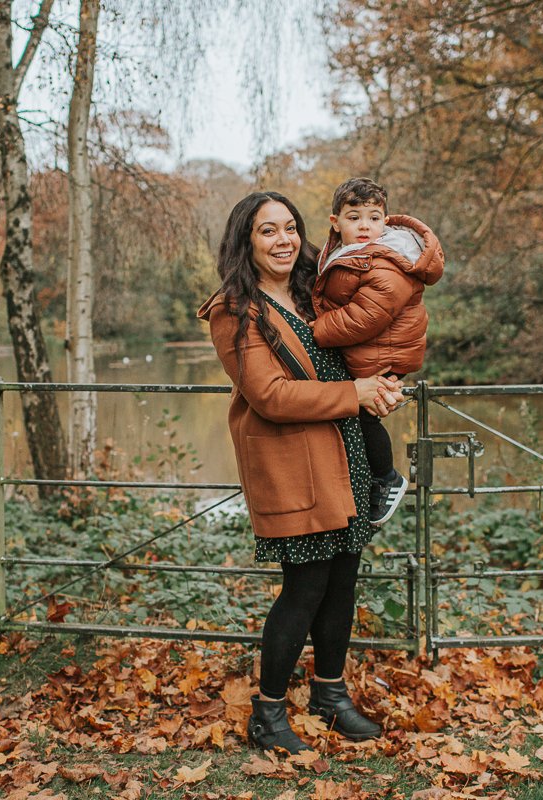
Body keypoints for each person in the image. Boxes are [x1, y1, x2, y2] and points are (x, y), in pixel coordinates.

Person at [196, 191, 404, 755]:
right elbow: (268, 394)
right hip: (292, 465)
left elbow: (362, 339)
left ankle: (329, 696)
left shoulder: (316, 290)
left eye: (290, 228)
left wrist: (380, 383)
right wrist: (353, 393)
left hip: (344, 453)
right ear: (246, 241)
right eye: (268, 231)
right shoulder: (234, 310)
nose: (284, 240)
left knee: (342, 581)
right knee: (305, 586)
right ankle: (267, 712)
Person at [312, 177, 445, 525]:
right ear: (335, 222)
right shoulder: (347, 252)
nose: (364, 225)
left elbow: (365, 318)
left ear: (386, 221)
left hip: (385, 354)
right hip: (370, 351)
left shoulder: (388, 259)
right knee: (348, 411)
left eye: (373, 217)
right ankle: (360, 481)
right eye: (354, 217)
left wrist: (316, 330)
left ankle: (386, 478)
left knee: (361, 416)